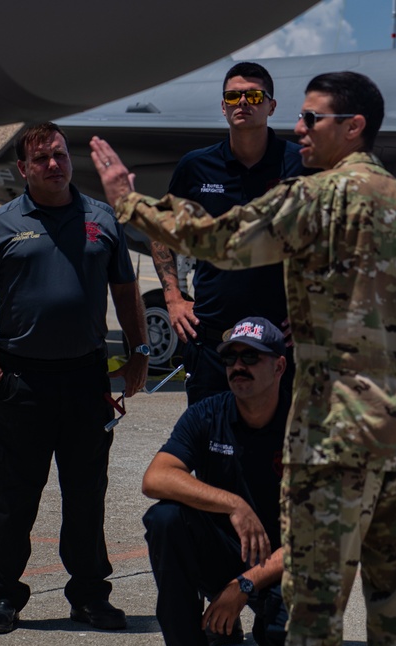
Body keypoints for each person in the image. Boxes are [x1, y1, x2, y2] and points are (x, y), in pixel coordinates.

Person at [92, 71, 396, 646]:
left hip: (332, 433)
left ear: (353, 128)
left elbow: (218, 241)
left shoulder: (312, 197)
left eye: (311, 118)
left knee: (312, 609)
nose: (298, 128)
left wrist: (127, 201)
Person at [0, 122, 148, 635]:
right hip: (23, 382)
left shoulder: (101, 218)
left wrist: (139, 352)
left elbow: (126, 290)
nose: (54, 165)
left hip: (86, 380)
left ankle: (89, 596)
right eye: (41, 159)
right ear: (23, 169)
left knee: (86, 497)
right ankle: (3, 597)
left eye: (59, 155)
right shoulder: (0, 225)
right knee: (12, 499)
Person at [151, 61, 305, 404]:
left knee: (281, 452)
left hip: (281, 341)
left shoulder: (300, 164)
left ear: (271, 105)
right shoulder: (196, 165)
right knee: (213, 445)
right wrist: (174, 298)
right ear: (223, 106)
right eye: (233, 97)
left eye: (253, 95)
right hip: (214, 340)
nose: (243, 103)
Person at [142, 316, 292, 646]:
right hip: (226, 550)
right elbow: (156, 478)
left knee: (288, 633)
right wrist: (233, 504)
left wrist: (243, 586)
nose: (238, 366)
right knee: (166, 519)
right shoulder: (208, 414)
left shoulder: (306, 426)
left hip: (287, 560)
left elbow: (318, 537)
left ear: (280, 365)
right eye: (231, 358)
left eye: (251, 357)